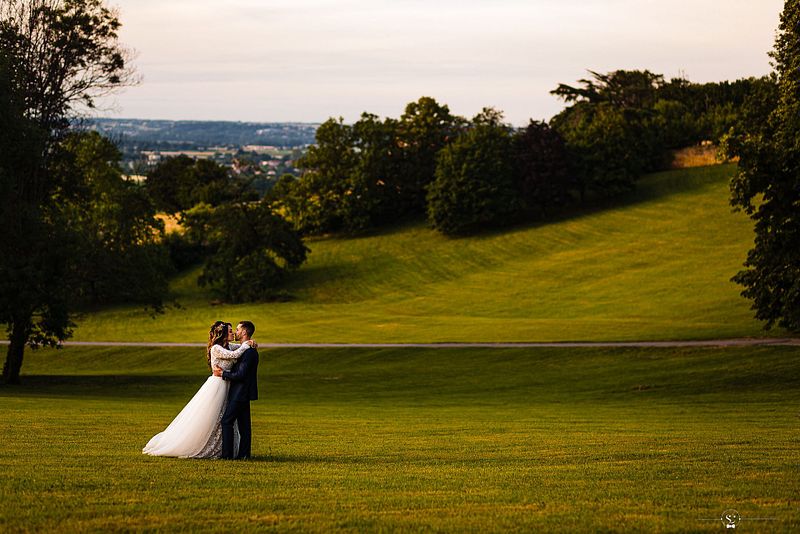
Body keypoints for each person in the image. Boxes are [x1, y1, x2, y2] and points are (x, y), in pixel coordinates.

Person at [142, 322, 255, 458]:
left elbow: (240, 349)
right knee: (209, 416)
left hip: (228, 387)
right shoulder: (216, 348)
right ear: (223, 334)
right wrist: (246, 345)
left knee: (223, 419)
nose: (233, 333)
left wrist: (250, 343)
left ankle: (223, 450)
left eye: (234, 330)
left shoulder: (230, 346)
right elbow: (236, 354)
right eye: (230, 331)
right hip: (217, 385)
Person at [213, 320, 259, 460]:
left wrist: (223, 374)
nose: (236, 332)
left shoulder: (249, 353)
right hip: (241, 392)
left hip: (240, 393)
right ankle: (243, 455)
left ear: (244, 332)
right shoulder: (242, 349)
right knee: (244, 425)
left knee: (227, 421)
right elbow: (233, 352)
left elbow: (241, 375)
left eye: (238, 330)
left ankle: (228, 455)